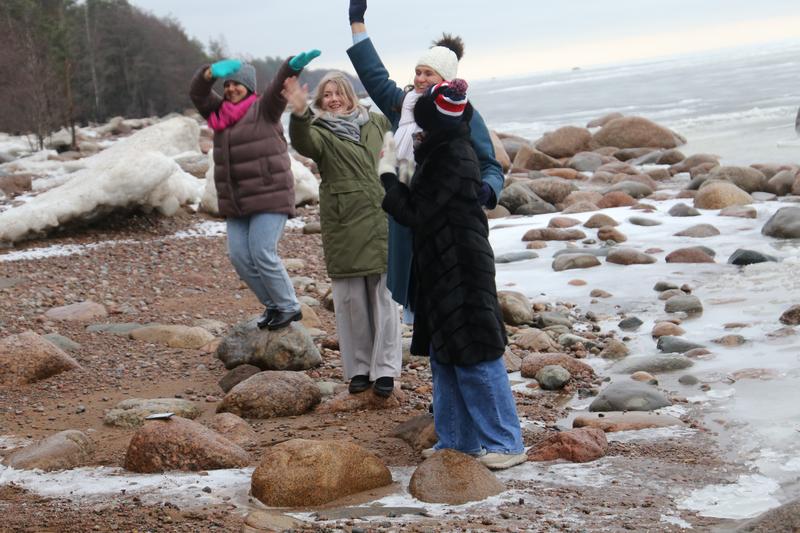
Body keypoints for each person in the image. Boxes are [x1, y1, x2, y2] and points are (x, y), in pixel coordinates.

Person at [379, 79, 526, 470]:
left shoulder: (454, 156)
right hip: (440, 267)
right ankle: (457, 440)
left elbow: (417, 213)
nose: (418, 130)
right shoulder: (440, 148)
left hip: (462, 266)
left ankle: (506, 442)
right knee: (444, 357)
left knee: (476, 353)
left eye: (422, 123)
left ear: (436, 124)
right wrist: (399, 173)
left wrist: (389, 182)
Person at [346, 0, 504, 319]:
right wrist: (357, 23)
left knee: (450, 308)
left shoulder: (464, 115)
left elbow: (491, 165)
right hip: (410, 219)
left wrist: (486, 191)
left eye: (427, 73)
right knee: (422, 309)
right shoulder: (402, 105)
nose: (419, 78)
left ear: (443, 78)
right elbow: (374, 75)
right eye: (417, 71)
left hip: (448, 226)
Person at [282, 72, 402, 397]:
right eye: (326, 95)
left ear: (350, 95)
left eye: (338, 93)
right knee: (351, 302)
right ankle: (360, 369)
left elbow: (399, 155)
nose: (333, 99)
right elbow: (304, 142)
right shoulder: (318, 130)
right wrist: (299, 112)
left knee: (385, 299)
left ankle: (386, 371)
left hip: (382, 216)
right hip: (344, 221)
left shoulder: (377, 122)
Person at [189, 51, 320, 330]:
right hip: (236, 201)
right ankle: (273, 305)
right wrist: (210, 73)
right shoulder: (218, 113)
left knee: (261, 251)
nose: (231, 89)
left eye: (237, 84)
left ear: (249, 87)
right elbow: (198, 94)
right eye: (227, 85)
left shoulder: (265, 108)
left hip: (269, 195)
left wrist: (292, 65)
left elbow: (277, 85)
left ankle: (289, 305)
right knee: (239, 256)